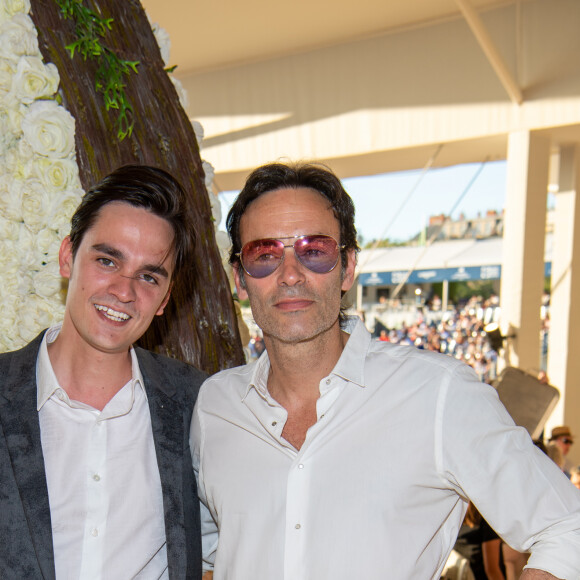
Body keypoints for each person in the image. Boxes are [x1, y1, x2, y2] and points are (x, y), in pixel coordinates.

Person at [191, 161, 580, 580]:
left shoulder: (437, 392)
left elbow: (566, 529)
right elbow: (211, 556)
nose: (290, 274)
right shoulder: (215, 407)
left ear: (348, 267)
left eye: (314, 251)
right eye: (264, 254)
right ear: (240, 278)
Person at [0, 165, 206, 579]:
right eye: (108, 260)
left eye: (149, 276)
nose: (124, 291)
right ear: (67, 257)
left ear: (165, 299)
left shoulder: (197, 406)